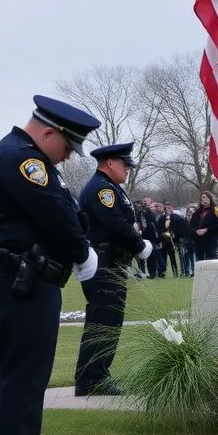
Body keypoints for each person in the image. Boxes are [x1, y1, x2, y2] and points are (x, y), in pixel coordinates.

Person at [0, 95, 102, 435]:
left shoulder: (18, 155)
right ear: (47, 133)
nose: (68, 156)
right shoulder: (23, 160)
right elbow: (57, 214)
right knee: (23, 383)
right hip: (21, 280)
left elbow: (68, 211)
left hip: (12, 276)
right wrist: (82, 252)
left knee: (8, 379)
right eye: (67, 146)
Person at [75, 142, 153, 396]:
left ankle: (90, 377)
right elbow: (115, 224)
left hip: (112, 263)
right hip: (105, 264)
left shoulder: (110, 187)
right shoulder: (102, 189)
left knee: (106, 320)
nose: (128, 169)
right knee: (105, 320)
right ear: (110, 163)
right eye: (124, 164)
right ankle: (94, 378)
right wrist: (140, 245)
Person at [191, 192, 218, 262]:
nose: (204, 200)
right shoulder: (197, 212)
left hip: (210, 240)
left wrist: (207, 229)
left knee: (210, 260)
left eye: (206, 198)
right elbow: (191, 226)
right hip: (198, 240)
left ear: (210, 199)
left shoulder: (216, 209)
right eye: (203, 198)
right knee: (200, 260)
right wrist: (196, 231)